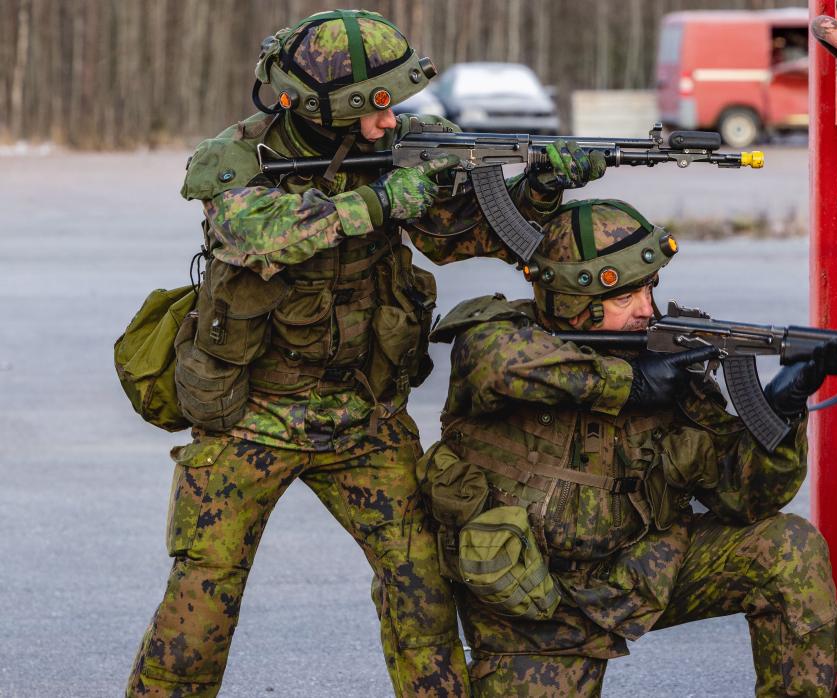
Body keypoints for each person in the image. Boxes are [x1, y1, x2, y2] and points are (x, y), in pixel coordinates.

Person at [125, 9, 604, 697]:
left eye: (392, 107)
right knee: (201, 603)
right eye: (372, 111)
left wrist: (540, 186)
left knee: (424, 593)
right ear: (323, 110)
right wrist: (380, 201)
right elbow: (254, 237)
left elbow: (460, 237)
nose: (389, 123)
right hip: (252, 416)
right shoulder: (239, 157)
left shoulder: (404, 149)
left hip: (364, 418)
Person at [420, 199, 837, 696]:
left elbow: (745, 497)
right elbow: (497, 365)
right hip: (529, 605)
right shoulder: (496, 337)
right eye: (626, 295)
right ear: (573, 296)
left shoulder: (666, 362)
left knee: (788, 547)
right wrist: (629, 384)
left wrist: (781, 410)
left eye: (649, 287)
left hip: (636, 575)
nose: (646, 309)